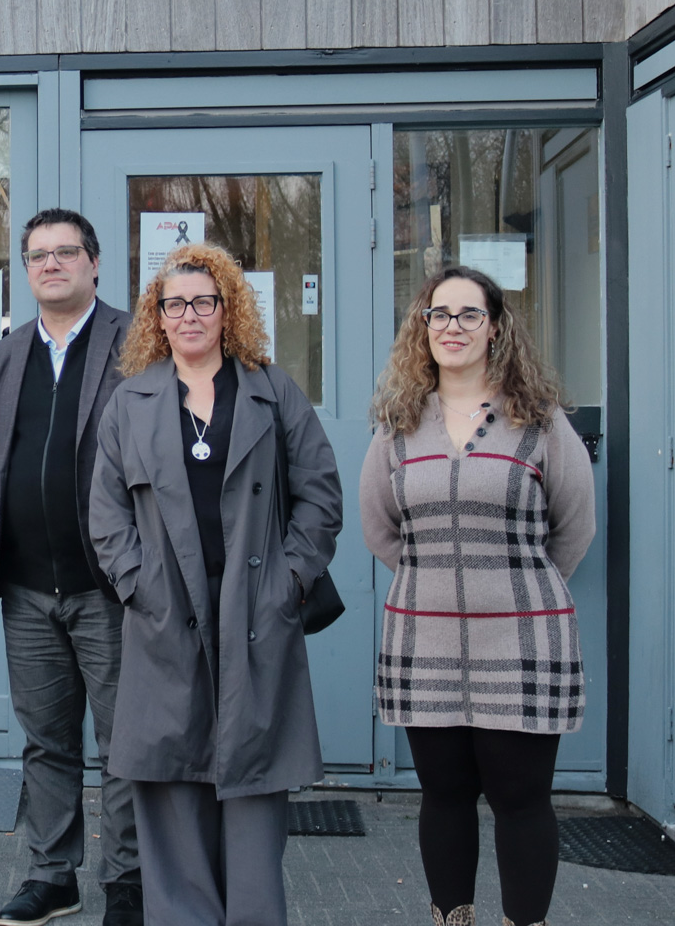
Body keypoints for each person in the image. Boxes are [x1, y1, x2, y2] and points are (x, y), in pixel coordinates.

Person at [86, 242, 340, 926]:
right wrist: (138, 584)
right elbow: (105, 513)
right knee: (171, 784)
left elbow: (320, 494)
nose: (189, 314)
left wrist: (290, 579)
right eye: (175, 304)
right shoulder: (130, 402)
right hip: (167, 612)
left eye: (204, 301)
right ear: (157, 317)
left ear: (227, 310)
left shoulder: (271, 388)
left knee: (253, 787)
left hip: (256, 610)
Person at [360, 266, 595, 926]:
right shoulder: (399, 426)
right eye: (440, 315)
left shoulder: (541, 423)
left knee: (521, 800)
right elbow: (380, 527)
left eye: (469, 315)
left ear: (495, 328)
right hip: (424, 639)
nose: (453, 327)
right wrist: (437, 581)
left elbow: (574, 527)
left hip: (523, 642)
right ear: (423, 327)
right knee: (444, 795)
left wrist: (515, 587)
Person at [0, 209, 142, 926]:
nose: (51, 264)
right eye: (37, 254)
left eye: (65, 252)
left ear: (95, 263)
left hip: (107, 586)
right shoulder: (6, 354)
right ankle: (53, 875)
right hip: (24, 587)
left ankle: (129, 880)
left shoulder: (139, 341)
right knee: (45, 742)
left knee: (125, 744)